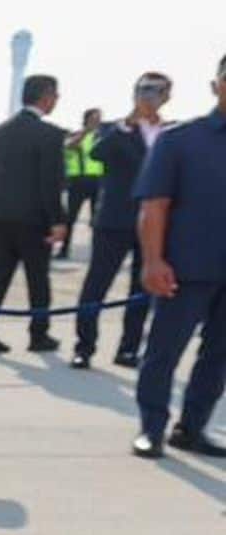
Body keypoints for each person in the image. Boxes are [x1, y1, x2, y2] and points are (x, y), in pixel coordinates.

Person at [131, 53, 226, 460]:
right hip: (185, 268)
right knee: (164, 351)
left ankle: (192, 428)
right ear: (216, 85)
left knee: (219, 356)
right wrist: (153, 261)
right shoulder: (180, 139)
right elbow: (154, 206)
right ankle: (151, 429)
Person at [75, 75, 168, 369]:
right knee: (96, 286)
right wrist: (125, 125)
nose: (148, 96)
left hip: (153, 224)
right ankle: (84, 347)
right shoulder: (113, 130)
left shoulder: (172, 132)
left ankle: (128, 349)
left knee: (142, 290)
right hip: (114, 221)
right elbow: (96, 152)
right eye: (143, 89)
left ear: (166, 96)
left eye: (155, 91)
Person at [0, 75, 70, 354]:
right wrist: (58, 220)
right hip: (33, 218)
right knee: (38, 278)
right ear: (46, 96)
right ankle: (38, 335)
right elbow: (50, 183)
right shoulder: (51, 135)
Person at [62, 108, 106, 256]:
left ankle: (98, 251)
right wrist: (86, 131)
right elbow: (69, 146)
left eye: (99, 119)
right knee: (70, 218)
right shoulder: (77, 135)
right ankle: (64, 249)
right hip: (78, 181)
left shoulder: (102, 137)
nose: (97, 122)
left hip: (97, 181)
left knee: (97, 220)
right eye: (94, 118)